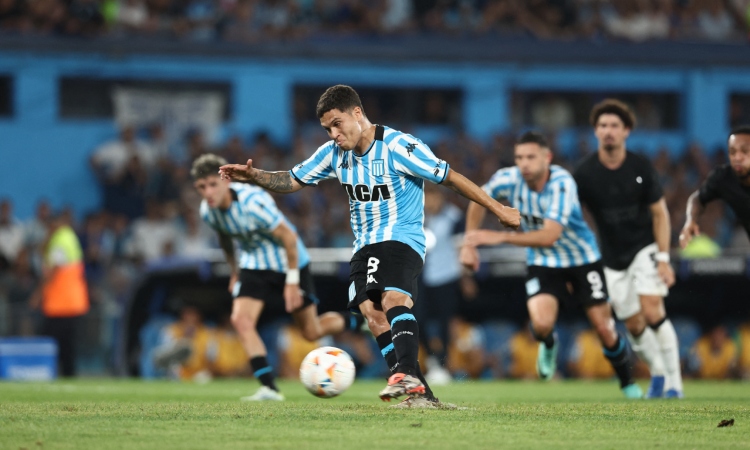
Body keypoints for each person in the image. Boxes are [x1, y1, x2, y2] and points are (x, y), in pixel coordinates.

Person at [218, 84, 521, 407]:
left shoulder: (398, 146)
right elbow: (292, 180)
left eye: (337, 124)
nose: (333, 134)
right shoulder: (333, 154)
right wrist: (254, 176)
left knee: (392, 299)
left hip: (400, 237)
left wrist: (498, 209)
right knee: (372, 314)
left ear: (357, 113)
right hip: (363, 245)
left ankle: (406, 374)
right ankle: (422, 395)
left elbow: (450, 177)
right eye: (326, 128)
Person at [461, 131, 642, 399]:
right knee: (542, 324)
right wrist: (469, 242)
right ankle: (549, 343)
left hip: (581, 258)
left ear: (547, 158)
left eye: (531, 157)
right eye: (520, 157)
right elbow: (478, 199)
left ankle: (627, 382)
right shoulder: (508, 178)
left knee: (604, 329)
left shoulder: (561, 183)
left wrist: (499, 236)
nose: (524, 163)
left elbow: (550, 236)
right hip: (543, 261)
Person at [191, 153, 364, 401]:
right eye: (201, 187)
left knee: (311, 331)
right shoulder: (208, 211)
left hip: (288, 261)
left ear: (226, 182)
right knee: (241, 320)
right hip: (254, 264)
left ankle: (360, 323)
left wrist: (292, 282)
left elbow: (289, 238)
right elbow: (225, 236)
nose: (208, 192)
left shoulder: (253, 201)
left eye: (212, 184)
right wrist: (234, 272)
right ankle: (269, 388)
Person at [573, 99, 682, 399]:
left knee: (652, 309)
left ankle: (675, 384)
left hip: (643, 247)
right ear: (596, 131)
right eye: (603, 126)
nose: (608, 131)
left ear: (627, 131)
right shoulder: (584, 173)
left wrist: (663, 258)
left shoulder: (640, 166)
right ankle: (658, 371)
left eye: (614, 126)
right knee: (633, 324)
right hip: (610, 256)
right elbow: (572, 216)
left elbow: (660, 213)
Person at [29, 212, 90, 377]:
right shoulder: (66, 236)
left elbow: (52, 271)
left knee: (53, 342)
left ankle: (57, 373)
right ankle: (65, 374)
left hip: (63, 303)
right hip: (68, 302)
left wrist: (37, 295)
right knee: (65, 344)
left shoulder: (61, 239)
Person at [680, 125, 750, 247]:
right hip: (735, 236)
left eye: (744, 151)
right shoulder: (723, 177)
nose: (738, 157)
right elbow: (696, 198)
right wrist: (690, 220)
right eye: (733, 152)